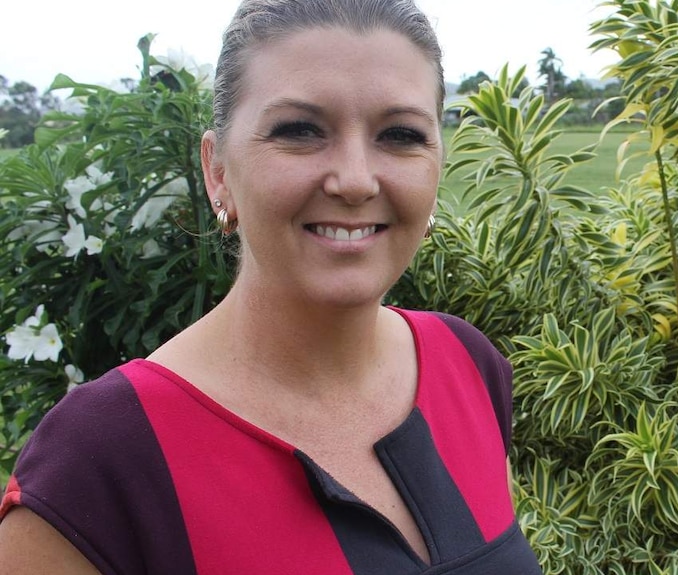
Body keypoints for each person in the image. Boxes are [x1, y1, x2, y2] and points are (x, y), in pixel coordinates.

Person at [0, 0, 542, 573]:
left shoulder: (467, 364)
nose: (356, 180)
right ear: (217, 171)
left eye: (401, 134)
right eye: (299, 131)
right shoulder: (102, 458)